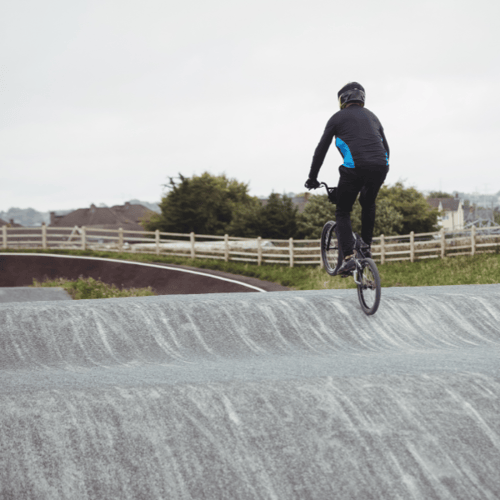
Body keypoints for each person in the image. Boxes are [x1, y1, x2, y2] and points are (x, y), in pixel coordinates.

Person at [305, 82, 389, 275]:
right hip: (381, 167)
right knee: (368, 203)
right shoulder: (373, 117)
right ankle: (366, 248)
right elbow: (387, 149)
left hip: (354, 169)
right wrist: (379, 172)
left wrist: (312, 177)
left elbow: (321, 151)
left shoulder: (337, 118)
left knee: (343, 210)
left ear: (342, 99)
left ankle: (349, 257)